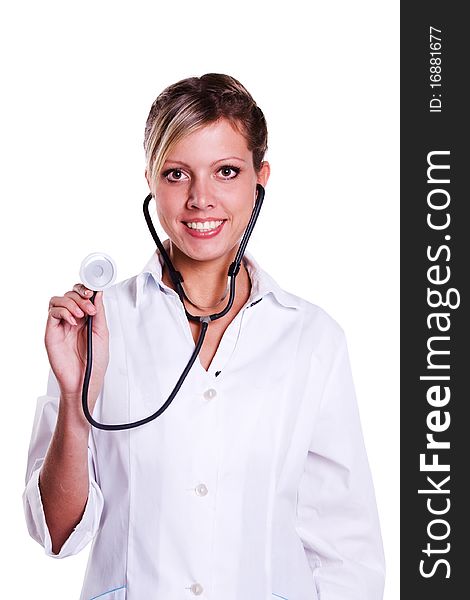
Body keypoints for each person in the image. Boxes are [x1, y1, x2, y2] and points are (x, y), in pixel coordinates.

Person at [23, 73, 385, 600]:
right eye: (176, 174)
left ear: (260, 179)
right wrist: (78, 404)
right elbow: (57, 535)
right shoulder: (100, 325)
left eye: (227, 171)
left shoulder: (312, 338)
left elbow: (347, 553)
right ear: (149, 178)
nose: (200, 198)